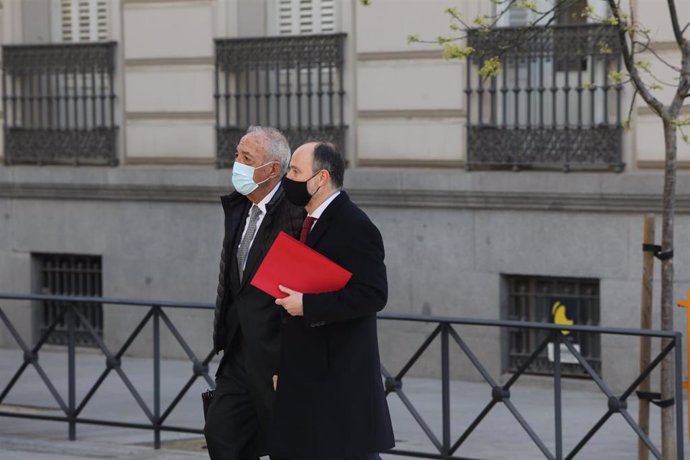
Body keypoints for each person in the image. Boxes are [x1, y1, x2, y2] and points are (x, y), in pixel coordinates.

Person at [269, 142, 394, 459]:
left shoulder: (354, 224)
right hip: (306, 374)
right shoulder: (306, 220)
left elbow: (373, 293)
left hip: (339, 380)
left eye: (296, 172)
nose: (288, 180)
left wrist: (308, 306)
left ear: (321, 177)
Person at [205, 126, 305, 460]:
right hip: (237, 353)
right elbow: (232, 281)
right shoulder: (238, 208)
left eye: (247, 158)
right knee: (222, 436)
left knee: (287, 447)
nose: (237, 164)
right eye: (237, 155)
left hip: (276, 358)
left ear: (272, 170)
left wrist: (294, 361)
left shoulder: (294, 215)